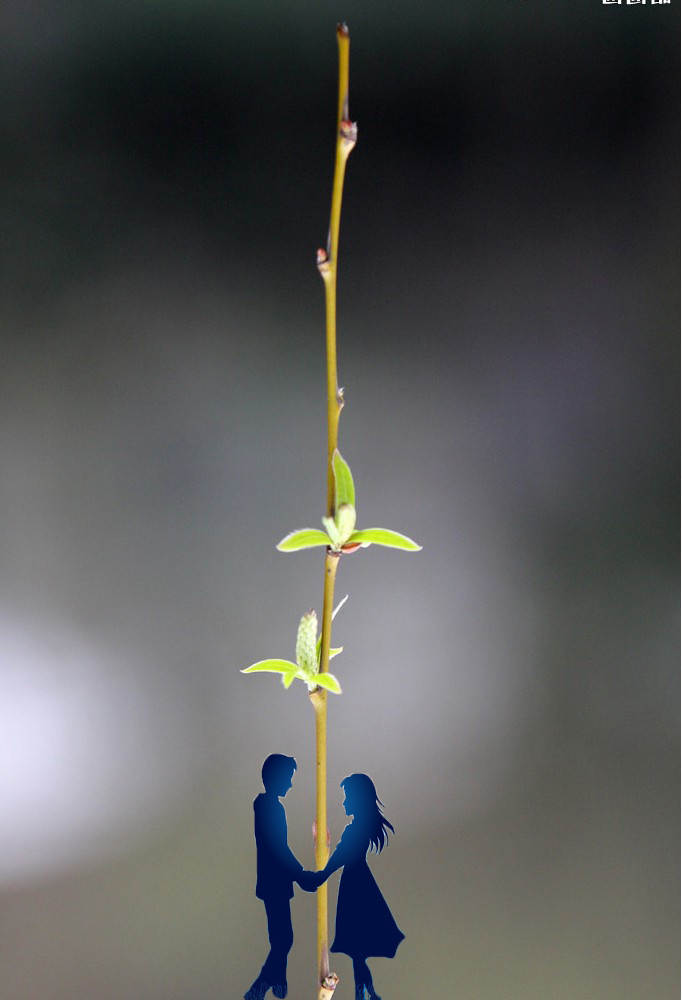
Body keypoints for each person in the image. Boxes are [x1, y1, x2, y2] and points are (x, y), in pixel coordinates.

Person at [312, 774, 404, 1000]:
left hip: (356, 886)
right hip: (357, 883)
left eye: (347, 798)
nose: (344, 803)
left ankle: (365, 993)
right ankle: (366, 993)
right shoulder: (361, 825)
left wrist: (319, 875)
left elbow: (341, 856)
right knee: (358, 951)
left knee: (358, 949)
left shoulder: (357, 828)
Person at [245, 754, 317, 1000]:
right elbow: (278, 847)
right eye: (288, 778)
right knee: (283, 939)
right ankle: (261, 986)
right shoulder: (269, 806)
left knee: (282, 938)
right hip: (274, 880)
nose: (290, 784)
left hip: (275, 880)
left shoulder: (269, 805)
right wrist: (301, 875)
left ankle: (277, 982)